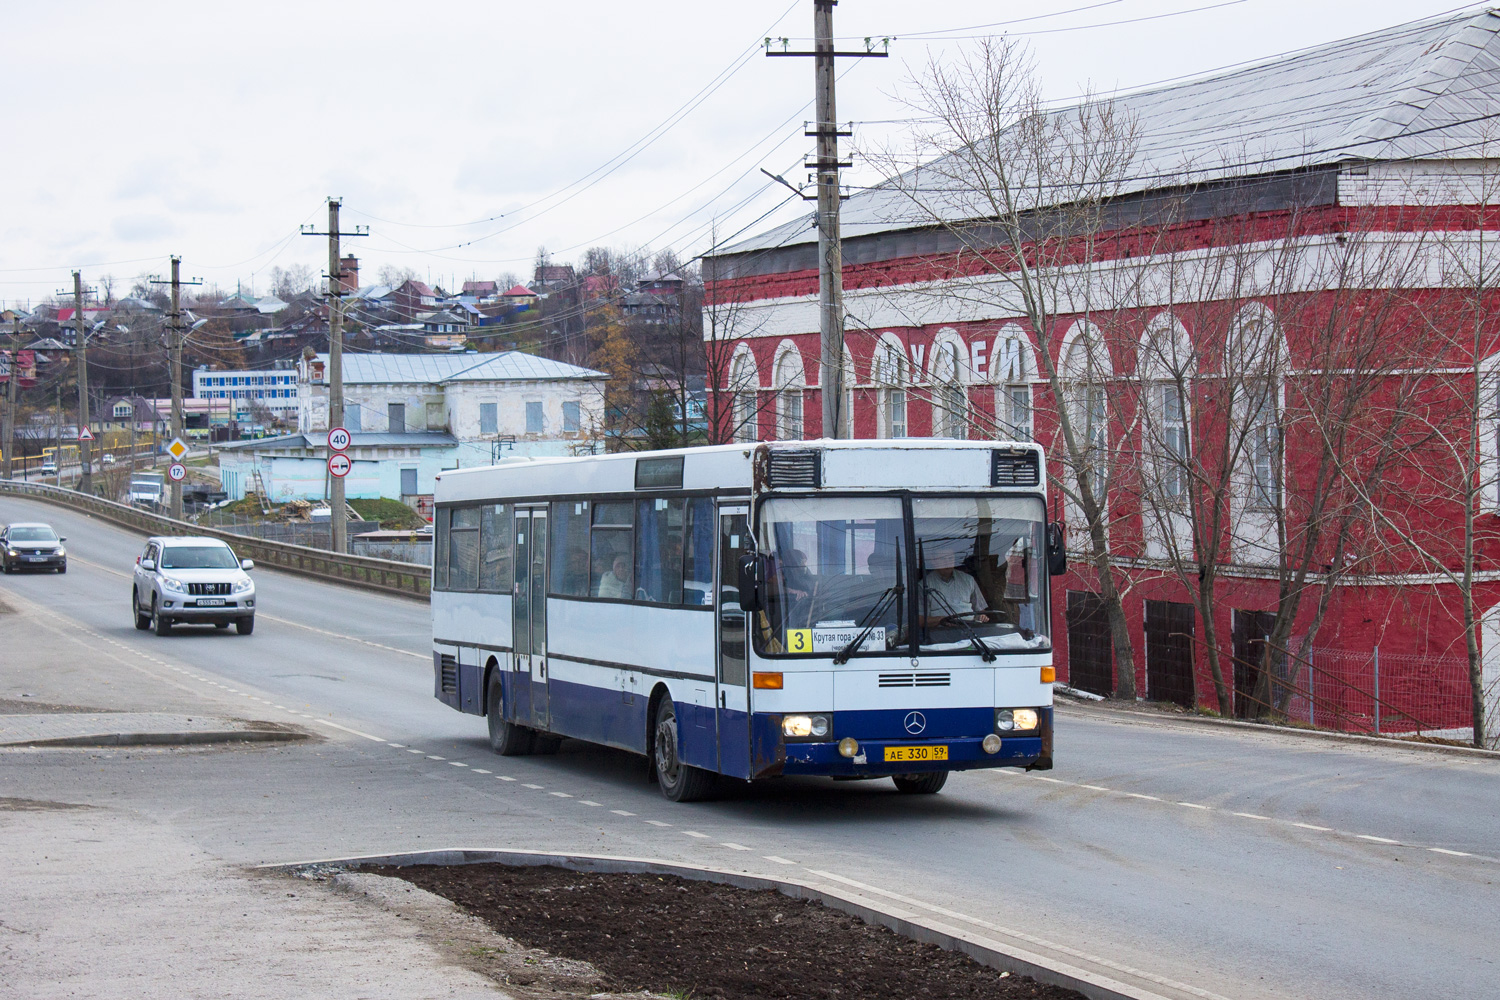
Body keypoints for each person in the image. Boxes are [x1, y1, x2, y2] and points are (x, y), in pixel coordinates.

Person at [921, 546, 986, 627]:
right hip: (940, 633)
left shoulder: (968, 580)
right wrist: (941, 620)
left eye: (950, 558)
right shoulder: (924, 585)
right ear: (934, 561)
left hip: (970, 630)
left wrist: (981, 616)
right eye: (943, 558)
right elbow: (919, 620)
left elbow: (980, 610)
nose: (947, 562)